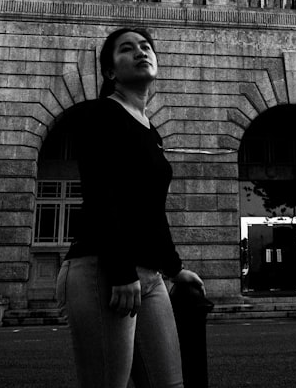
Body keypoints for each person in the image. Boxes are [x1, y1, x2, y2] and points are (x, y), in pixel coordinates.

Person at [56, 27, 205, 388]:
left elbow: (151, 209)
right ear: (110, 71)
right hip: (103, 269)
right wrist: (122, 270)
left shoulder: (151, 128)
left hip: (150, 275)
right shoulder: (99, 114)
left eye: (146, 46)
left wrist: (175, 268)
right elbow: (101, 194)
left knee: (169, 384)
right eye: (127, 49)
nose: (141, 52)